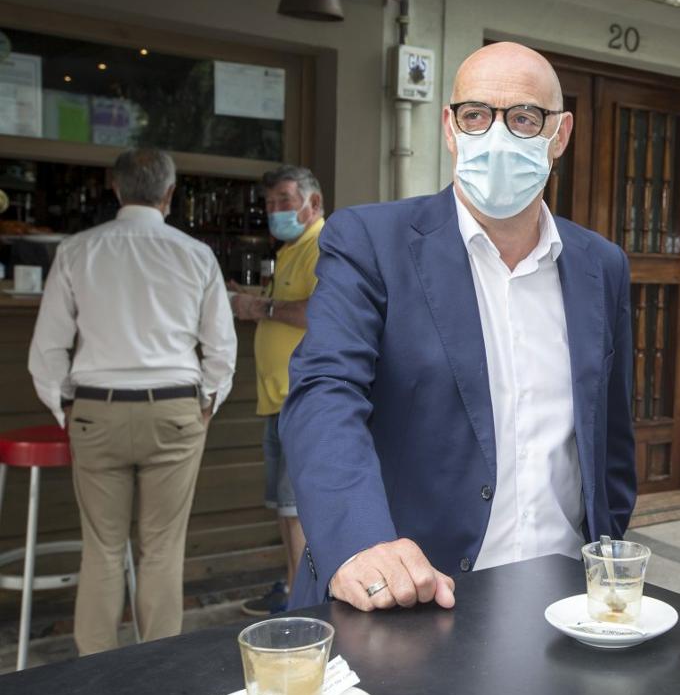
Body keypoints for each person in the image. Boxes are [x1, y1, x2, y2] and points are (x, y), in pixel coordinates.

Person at [281, 42, 636, 612]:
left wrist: (607, 546)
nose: (497, 136)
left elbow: (610, 434)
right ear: (450, 128)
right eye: (476, 115)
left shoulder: (601, 265)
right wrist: (361, 544)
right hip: (416, 599)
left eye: (523, 118)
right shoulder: (371, 243)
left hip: (567, 604)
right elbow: (325, 393)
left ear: (560, 135)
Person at [28, 148, 236, 654]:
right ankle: (156, 673)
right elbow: (221, 348)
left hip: (98, 409)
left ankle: (96, 675)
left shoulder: (78, 249)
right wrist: (208, 400)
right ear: (170, 194)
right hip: (174, 409)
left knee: (101, 550)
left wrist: (65, 407)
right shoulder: (195, 253)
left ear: (116, 190)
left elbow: (47, 350)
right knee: (163, 549)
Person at [228, 166, 324, 616]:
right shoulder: (291, 250)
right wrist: (250, 295)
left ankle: (302, 602)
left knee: (296, 509)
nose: (276, 211)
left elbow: (315, 311)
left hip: (300, 397)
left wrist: (259, 305)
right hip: (278, 396)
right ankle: (291, 588)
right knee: (285, 509)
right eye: (269, 204)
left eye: (285, 201)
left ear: (313, 204)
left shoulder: (320, 246)